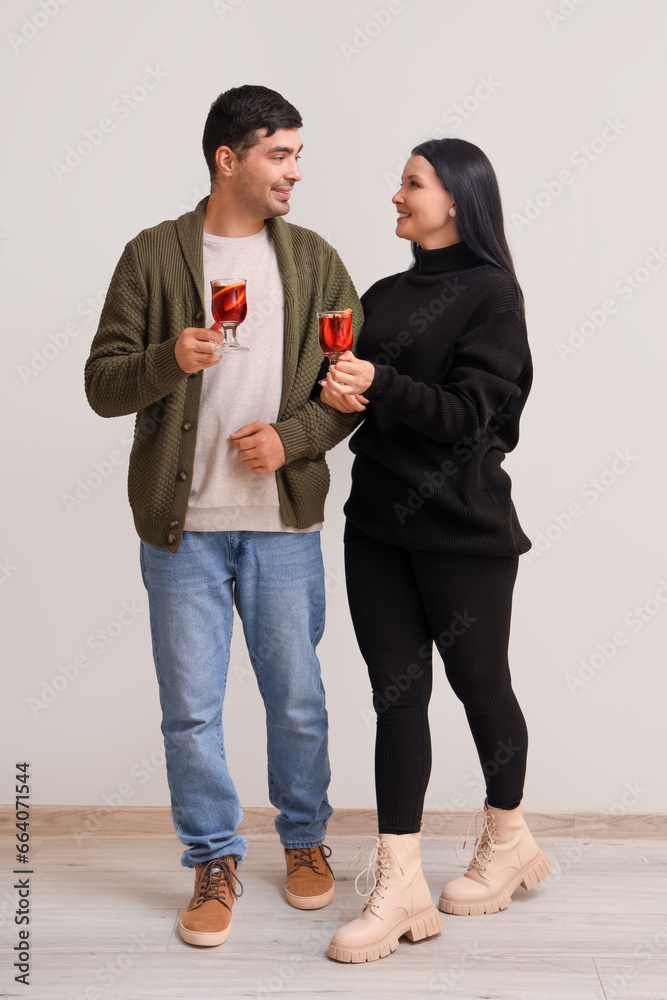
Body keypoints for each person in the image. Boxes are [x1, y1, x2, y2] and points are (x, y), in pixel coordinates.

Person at [84, 85, 363, 948]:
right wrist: (170, 358)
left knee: (298, 701)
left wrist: (291, 440)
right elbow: (102, 385)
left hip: (283, 527)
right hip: (182, 530)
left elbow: (349, 391)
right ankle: (213, 856)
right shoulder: (152, 256)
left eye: (296, 155)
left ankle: (305, 840)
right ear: (227, 159)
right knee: (190, 711)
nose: (295, 171)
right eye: (280, 154)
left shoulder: (314, 259)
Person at [319, 137, 551, 964]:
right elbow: (363, 401)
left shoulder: (494, 297)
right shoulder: (380, 294)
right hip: (377, 527)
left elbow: (469, 419)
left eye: (410, 183)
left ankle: (510, 837)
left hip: (464, 531)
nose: (395, 195)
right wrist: (338, 388)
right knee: (395, 698)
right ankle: (400, 884)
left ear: (454, 198)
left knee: (480, 685)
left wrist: (377, 382)